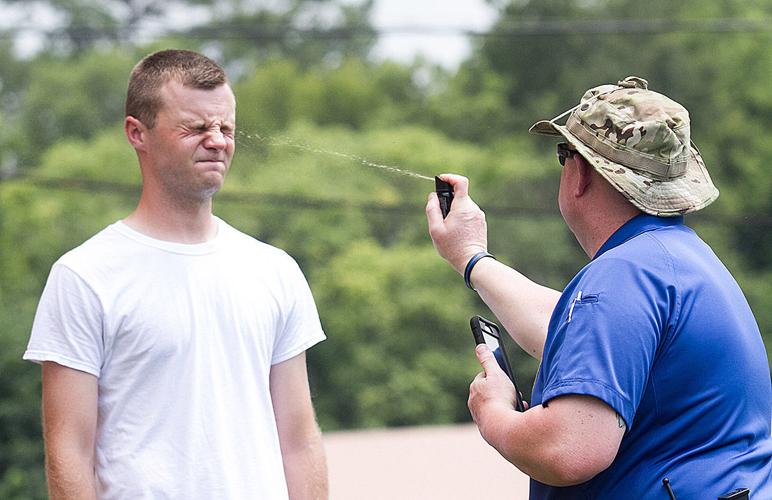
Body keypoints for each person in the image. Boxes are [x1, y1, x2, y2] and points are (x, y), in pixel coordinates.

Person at [426, 76, 771, 498]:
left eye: (564, 154)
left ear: (580, 173)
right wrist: (471, 256)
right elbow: (575, 334)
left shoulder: (623, 274)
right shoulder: (679, 260)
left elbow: (570, 448)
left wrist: (494, 413)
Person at [24, 49, 328, 499]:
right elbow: (69, 451)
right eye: (196, 128)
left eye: (226, 127)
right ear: (137, 133)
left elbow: (300, 443)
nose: (218, 140)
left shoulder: (275, 271)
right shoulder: (84, 276)